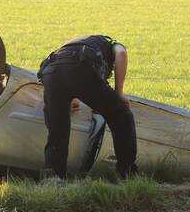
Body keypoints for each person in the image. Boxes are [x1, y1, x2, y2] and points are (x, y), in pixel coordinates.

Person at [37, 35, 137, 179]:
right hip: (80, 67)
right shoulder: (111, 43)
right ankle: (127, 174)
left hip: (51, 71)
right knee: (121, 116)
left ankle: (53, 179)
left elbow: (65, 65)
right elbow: (121, 54)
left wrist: (69, 96)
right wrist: (118, 93)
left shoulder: (77, 42)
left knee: (57, 131)